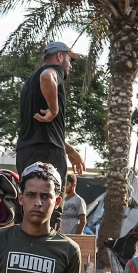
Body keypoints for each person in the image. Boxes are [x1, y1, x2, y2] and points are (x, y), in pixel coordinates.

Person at [17, 41, 87, 187]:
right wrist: (54, 110)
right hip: (50, 154)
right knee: (51, 204)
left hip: (25, 153)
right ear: (60, 56)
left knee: (28, 203)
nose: (71, 65)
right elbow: (48, 77)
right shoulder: (55, 70)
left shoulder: (28, 84)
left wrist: (71, 151)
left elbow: (46, 131)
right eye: (70, 59)